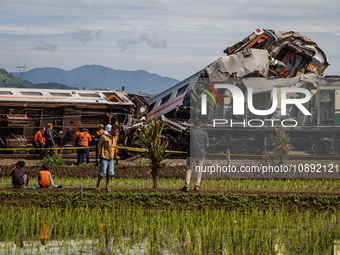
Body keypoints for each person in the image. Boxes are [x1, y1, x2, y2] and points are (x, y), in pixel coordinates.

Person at [181, 119, 209, 192]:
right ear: (200, 125)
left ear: (194, 125)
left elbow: (184, 142)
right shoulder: (204, 133)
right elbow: (207, 145)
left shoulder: (190, 132)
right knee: (199, 170)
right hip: (201, 154)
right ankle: (197, 186)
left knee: (189, 169)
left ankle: (187, 186)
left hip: (192, 154)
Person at [96, 124, 119, 192]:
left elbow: (114, 147)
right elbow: (99, 146)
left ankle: (107, 186)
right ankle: (98, 185)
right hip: (104, 156)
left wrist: (115, 155)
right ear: (112, 130)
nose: (116, 132)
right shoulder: (104, 137)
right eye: (115, 131)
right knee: (102, 172)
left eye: (117, 131)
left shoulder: (115, 137)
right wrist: (99, 156)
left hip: (111, 157)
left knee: (110, 172)